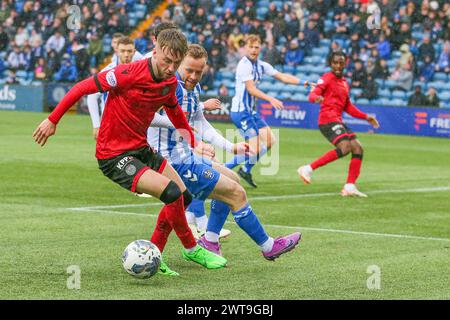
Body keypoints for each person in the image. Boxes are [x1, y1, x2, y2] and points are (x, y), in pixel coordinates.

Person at [33, 29, 227, 275]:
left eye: (175, 63)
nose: (170, 68)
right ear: (154, 50)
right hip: (113, 156)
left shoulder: (168, 82)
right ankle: (191, 248)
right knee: (171, 192)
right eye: (166, 60)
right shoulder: (127, 73)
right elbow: (82, 88)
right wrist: (52, 120)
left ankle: (155, 253)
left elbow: (175, 113)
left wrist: (193, 142)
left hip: (141, 149)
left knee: (184, 197)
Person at [148, 44, 301, 272]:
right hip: (173, 162)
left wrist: (231, 147)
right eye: (189, 70)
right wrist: (189, 136)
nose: (193, 76)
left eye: (198, 72)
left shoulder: (194, 88)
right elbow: (148, 116)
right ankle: (268, 246)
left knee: (233, 180)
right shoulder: (169, 87)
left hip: (186, 156)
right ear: (179, 64)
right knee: (236, 194)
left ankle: (208, 240)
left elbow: (200, 122)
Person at [225, 34, 309, 188]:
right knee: (255, 148)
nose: (254, 50)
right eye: (250, 47)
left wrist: (303, 82)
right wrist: (271, 99)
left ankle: (245, 170)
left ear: (260, 48)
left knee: (270, 141)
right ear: (245, 48)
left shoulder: (261, 65)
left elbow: (282, 76)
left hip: (250, 112)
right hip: (241, 112)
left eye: (256, 47)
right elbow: (250, 89)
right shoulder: (244, 65)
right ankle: (223, 170)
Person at [297, 51, 380, 197]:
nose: (338, 65)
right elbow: (313, 94)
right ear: (331, 64)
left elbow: (348, 107)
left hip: (337, 120)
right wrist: (316, 98)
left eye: (341, 62)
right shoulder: (326, 78)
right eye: (335, 62)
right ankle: (308, 168)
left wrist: (366, 117)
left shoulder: (344, 83)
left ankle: (349, 186)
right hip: (327, 120)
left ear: (345, 63)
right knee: (345, 147)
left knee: (358, 148)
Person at [87, 36, 135, 141]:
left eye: (129, 51)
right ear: (117, 51)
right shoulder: (108, 72)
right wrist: (96, 125)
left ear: (134, 52)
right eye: (123, 51)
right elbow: (92, 96)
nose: (126, 55)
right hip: (110, 126)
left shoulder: (139, 70)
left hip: (132, 126)